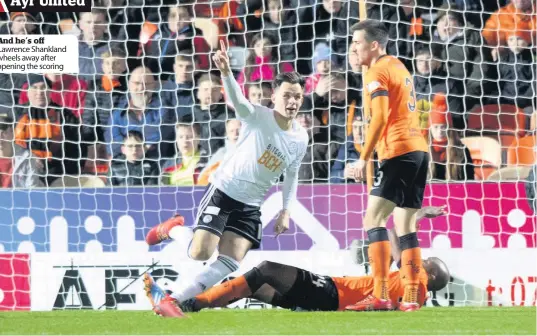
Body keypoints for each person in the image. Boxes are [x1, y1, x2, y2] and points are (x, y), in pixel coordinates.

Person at [144, 41, 309, 318]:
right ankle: (172, 229)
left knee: (231, 261)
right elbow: (240, 102)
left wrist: (285, 210)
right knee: (200, 254)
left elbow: (291, 175)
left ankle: (174, 299)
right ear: (274, 97)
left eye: (297, 97)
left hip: (251, 205)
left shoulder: (300, 137)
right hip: (224, 192)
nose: (292, 102)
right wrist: (225, 73)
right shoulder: (258, 116)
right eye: (287, 95)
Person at [144, 206, 449, 316]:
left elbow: (406, 246)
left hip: (333, 294)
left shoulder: (417, 284)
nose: (418, 262)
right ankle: (191, 304)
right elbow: (399, 241)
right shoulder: (409, 287)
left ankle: (190, 303)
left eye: (425, 263)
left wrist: (416, 218)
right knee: (257, 284)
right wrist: (416, 217)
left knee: (266, 270)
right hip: (330, 299)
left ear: (430, 274)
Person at [347, 20, 430, 312]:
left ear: (373, 45)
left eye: (357, 42)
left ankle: (380, 293)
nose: (353, 47)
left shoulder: (377, 71)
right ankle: (410, 295)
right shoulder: (397, 66)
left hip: (397, 151)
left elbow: (380, 118)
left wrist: (363, 157)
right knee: (405, 224)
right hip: (418, 151)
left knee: (373, 221)